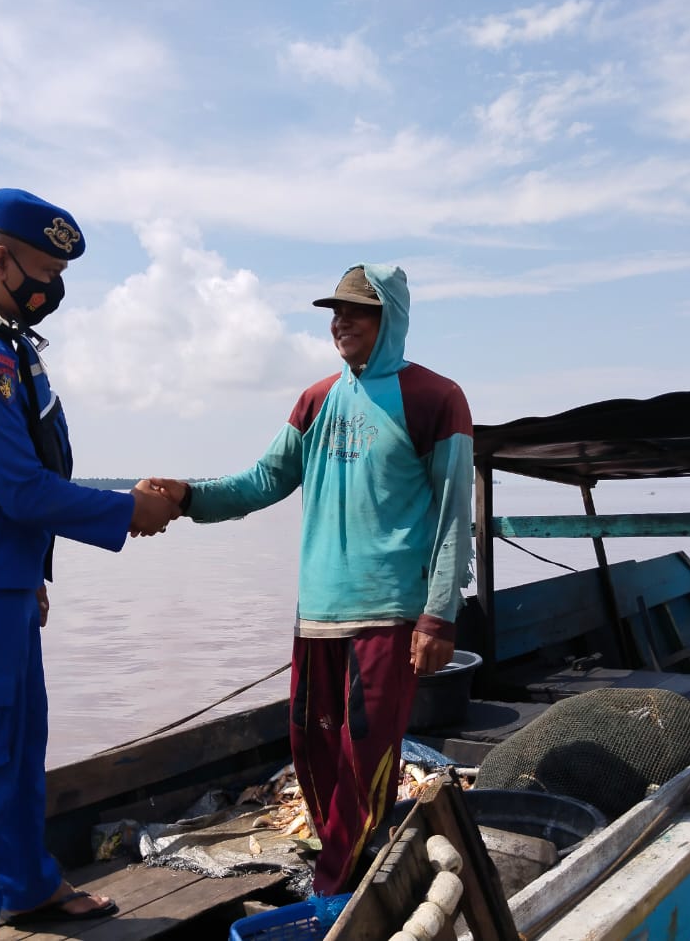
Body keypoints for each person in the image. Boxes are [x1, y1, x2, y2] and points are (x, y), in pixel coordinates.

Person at [0, 188, 178, 938]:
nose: (50, 291)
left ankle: (26, 884)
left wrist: (35, 575)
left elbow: (6, 484)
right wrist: (127, 511)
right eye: (43, 273)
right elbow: (19, 488)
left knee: (19, 751)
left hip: (3, 582)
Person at [148, 263, 473, 895]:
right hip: (318, 613)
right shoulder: (317, 399)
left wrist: (439, 616)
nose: (340, 321)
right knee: (313, 753)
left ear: (391, 320)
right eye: (334, 311)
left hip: (390, 614)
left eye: (356, 310)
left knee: (366, 756)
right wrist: (187, 496)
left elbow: (454, 512)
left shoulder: (436, 399)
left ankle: (336, 887)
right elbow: (262, 480)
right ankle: (345, 866)